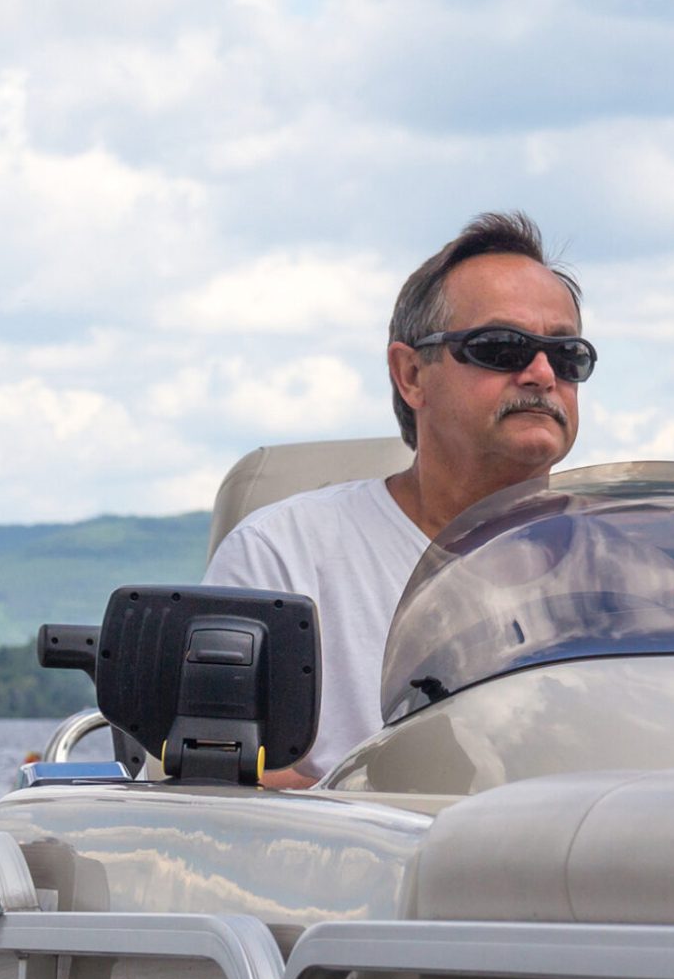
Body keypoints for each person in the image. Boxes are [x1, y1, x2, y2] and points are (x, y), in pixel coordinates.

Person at [204, 211, 592, 786]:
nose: (540, 373)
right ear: (411, 373)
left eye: (567, 356)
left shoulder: (636, 571)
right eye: (502, 347)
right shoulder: (283, 557)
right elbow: (220, 771)